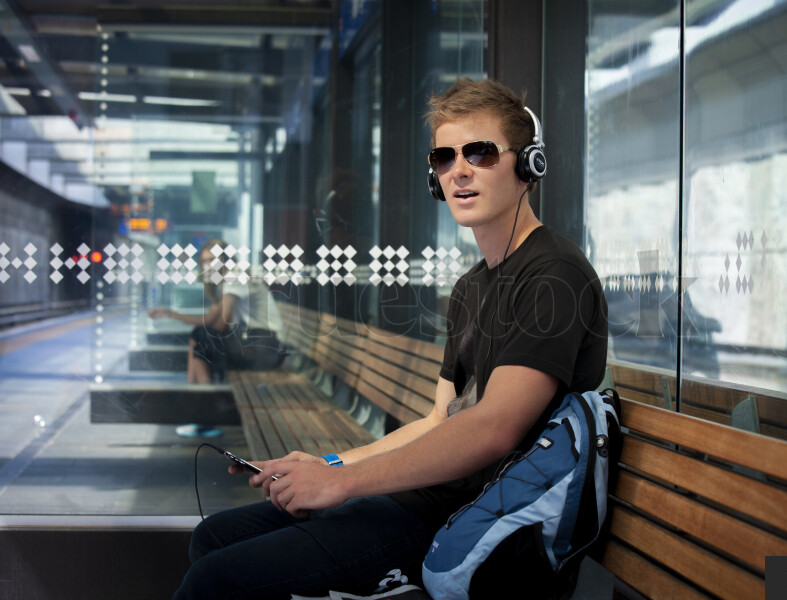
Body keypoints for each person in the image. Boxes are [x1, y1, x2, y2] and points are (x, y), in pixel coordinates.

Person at [172, 78, 607, 599]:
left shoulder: (554, 276)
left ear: (527, 166)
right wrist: (329, 465)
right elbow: (438, 420)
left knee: (215, 580)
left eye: (481, 153)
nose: (459, 170)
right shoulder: (473, 286)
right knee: (214, 537)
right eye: (445, 158)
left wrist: (343, 484)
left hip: (473, 523)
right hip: (424, 500)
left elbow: (494, 429)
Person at [148, 238, 286, 436]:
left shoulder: (235, 277)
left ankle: (204, 409)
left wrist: (197, 328)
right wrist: (170, 313)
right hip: (256, 344)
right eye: (204, 261)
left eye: (213, 259)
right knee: (200, 336)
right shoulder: (228, 281)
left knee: (201, 337)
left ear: (225, 259)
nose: (208, 265)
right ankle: (199, 405)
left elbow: (220, 324)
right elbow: (210, 319)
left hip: (266, 347)